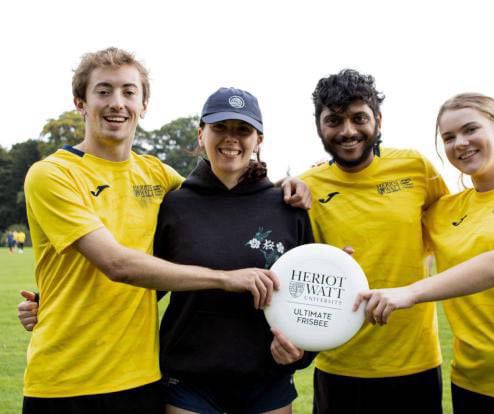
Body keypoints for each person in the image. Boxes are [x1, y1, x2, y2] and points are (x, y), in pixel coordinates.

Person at [19, 47, 309, 414]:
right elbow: (116, 264)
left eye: (128, 92)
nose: (116, 103)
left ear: (143, 105)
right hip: (66, 379)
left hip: (140, 379)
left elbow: (222, 194)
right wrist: (227, 278)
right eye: (103, 91)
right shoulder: (52, 174)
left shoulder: (157, 176)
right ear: (80, 102)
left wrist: (287, 184)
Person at [355, 93, 494, 413]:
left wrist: (411, 293)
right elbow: (385, 228)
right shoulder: (444, 209)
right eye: (449, 137)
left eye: (470, 129)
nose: (460, 143)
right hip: (471, 382)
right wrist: (325, 175)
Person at [156, 86, 315, 414]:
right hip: (189, 379)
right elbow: (143, 282)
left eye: (242, 130)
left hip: (266, 378)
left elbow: (309, 294)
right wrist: (59, 304)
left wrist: (301, 353)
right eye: (219, 128)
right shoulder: (173, 205)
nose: (231, 138)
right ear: (201, 135)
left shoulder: (288, 205)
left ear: (259, 140)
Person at [300, 69, 448, 414]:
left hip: (415, 363)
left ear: (378, 119)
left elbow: (464, 222)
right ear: (319, 126)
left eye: (359, 118)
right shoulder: (304, 187)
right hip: (338, 365)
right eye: (334, 120)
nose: (348, 131)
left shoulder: (415, 168)